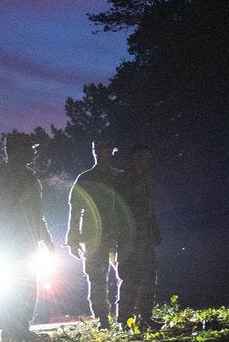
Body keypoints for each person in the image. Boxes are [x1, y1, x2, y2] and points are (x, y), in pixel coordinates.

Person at [0, 132, 55, 342]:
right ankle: (11, 331)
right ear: (15, 150)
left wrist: (45, 238)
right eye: (28, 147)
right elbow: (6, 208)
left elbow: (36, 213)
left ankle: (20, 329)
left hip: (23, 241)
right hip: (10, 241)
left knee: (26, 286)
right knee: (13, 285)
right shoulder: (2, 175)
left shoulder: (27, 176)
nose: (33, 151)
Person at [66, 140, 130, 325]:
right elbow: (75, 210)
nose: (105, 155)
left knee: (126, 273)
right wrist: (73, 239)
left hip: (119, 233)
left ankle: (125, 315)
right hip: (94, 235)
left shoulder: (121, 177)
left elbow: (131, 206)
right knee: (96, 276)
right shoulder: (85, 179)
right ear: (95, 153)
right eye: (101, 151)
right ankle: (103, 317)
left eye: (108, 151)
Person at [117, 143, 162, 329]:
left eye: (148, 158)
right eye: (144, 157)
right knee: (130, 277)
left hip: (148, 236)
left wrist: (156, 230)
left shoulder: (148, 181)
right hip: (131, 238)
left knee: (150, 275)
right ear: (135, 158)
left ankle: (145, 316)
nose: (147, 161)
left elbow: (151, 210)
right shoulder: (124, 180)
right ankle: (124, 319)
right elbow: (119, 209)